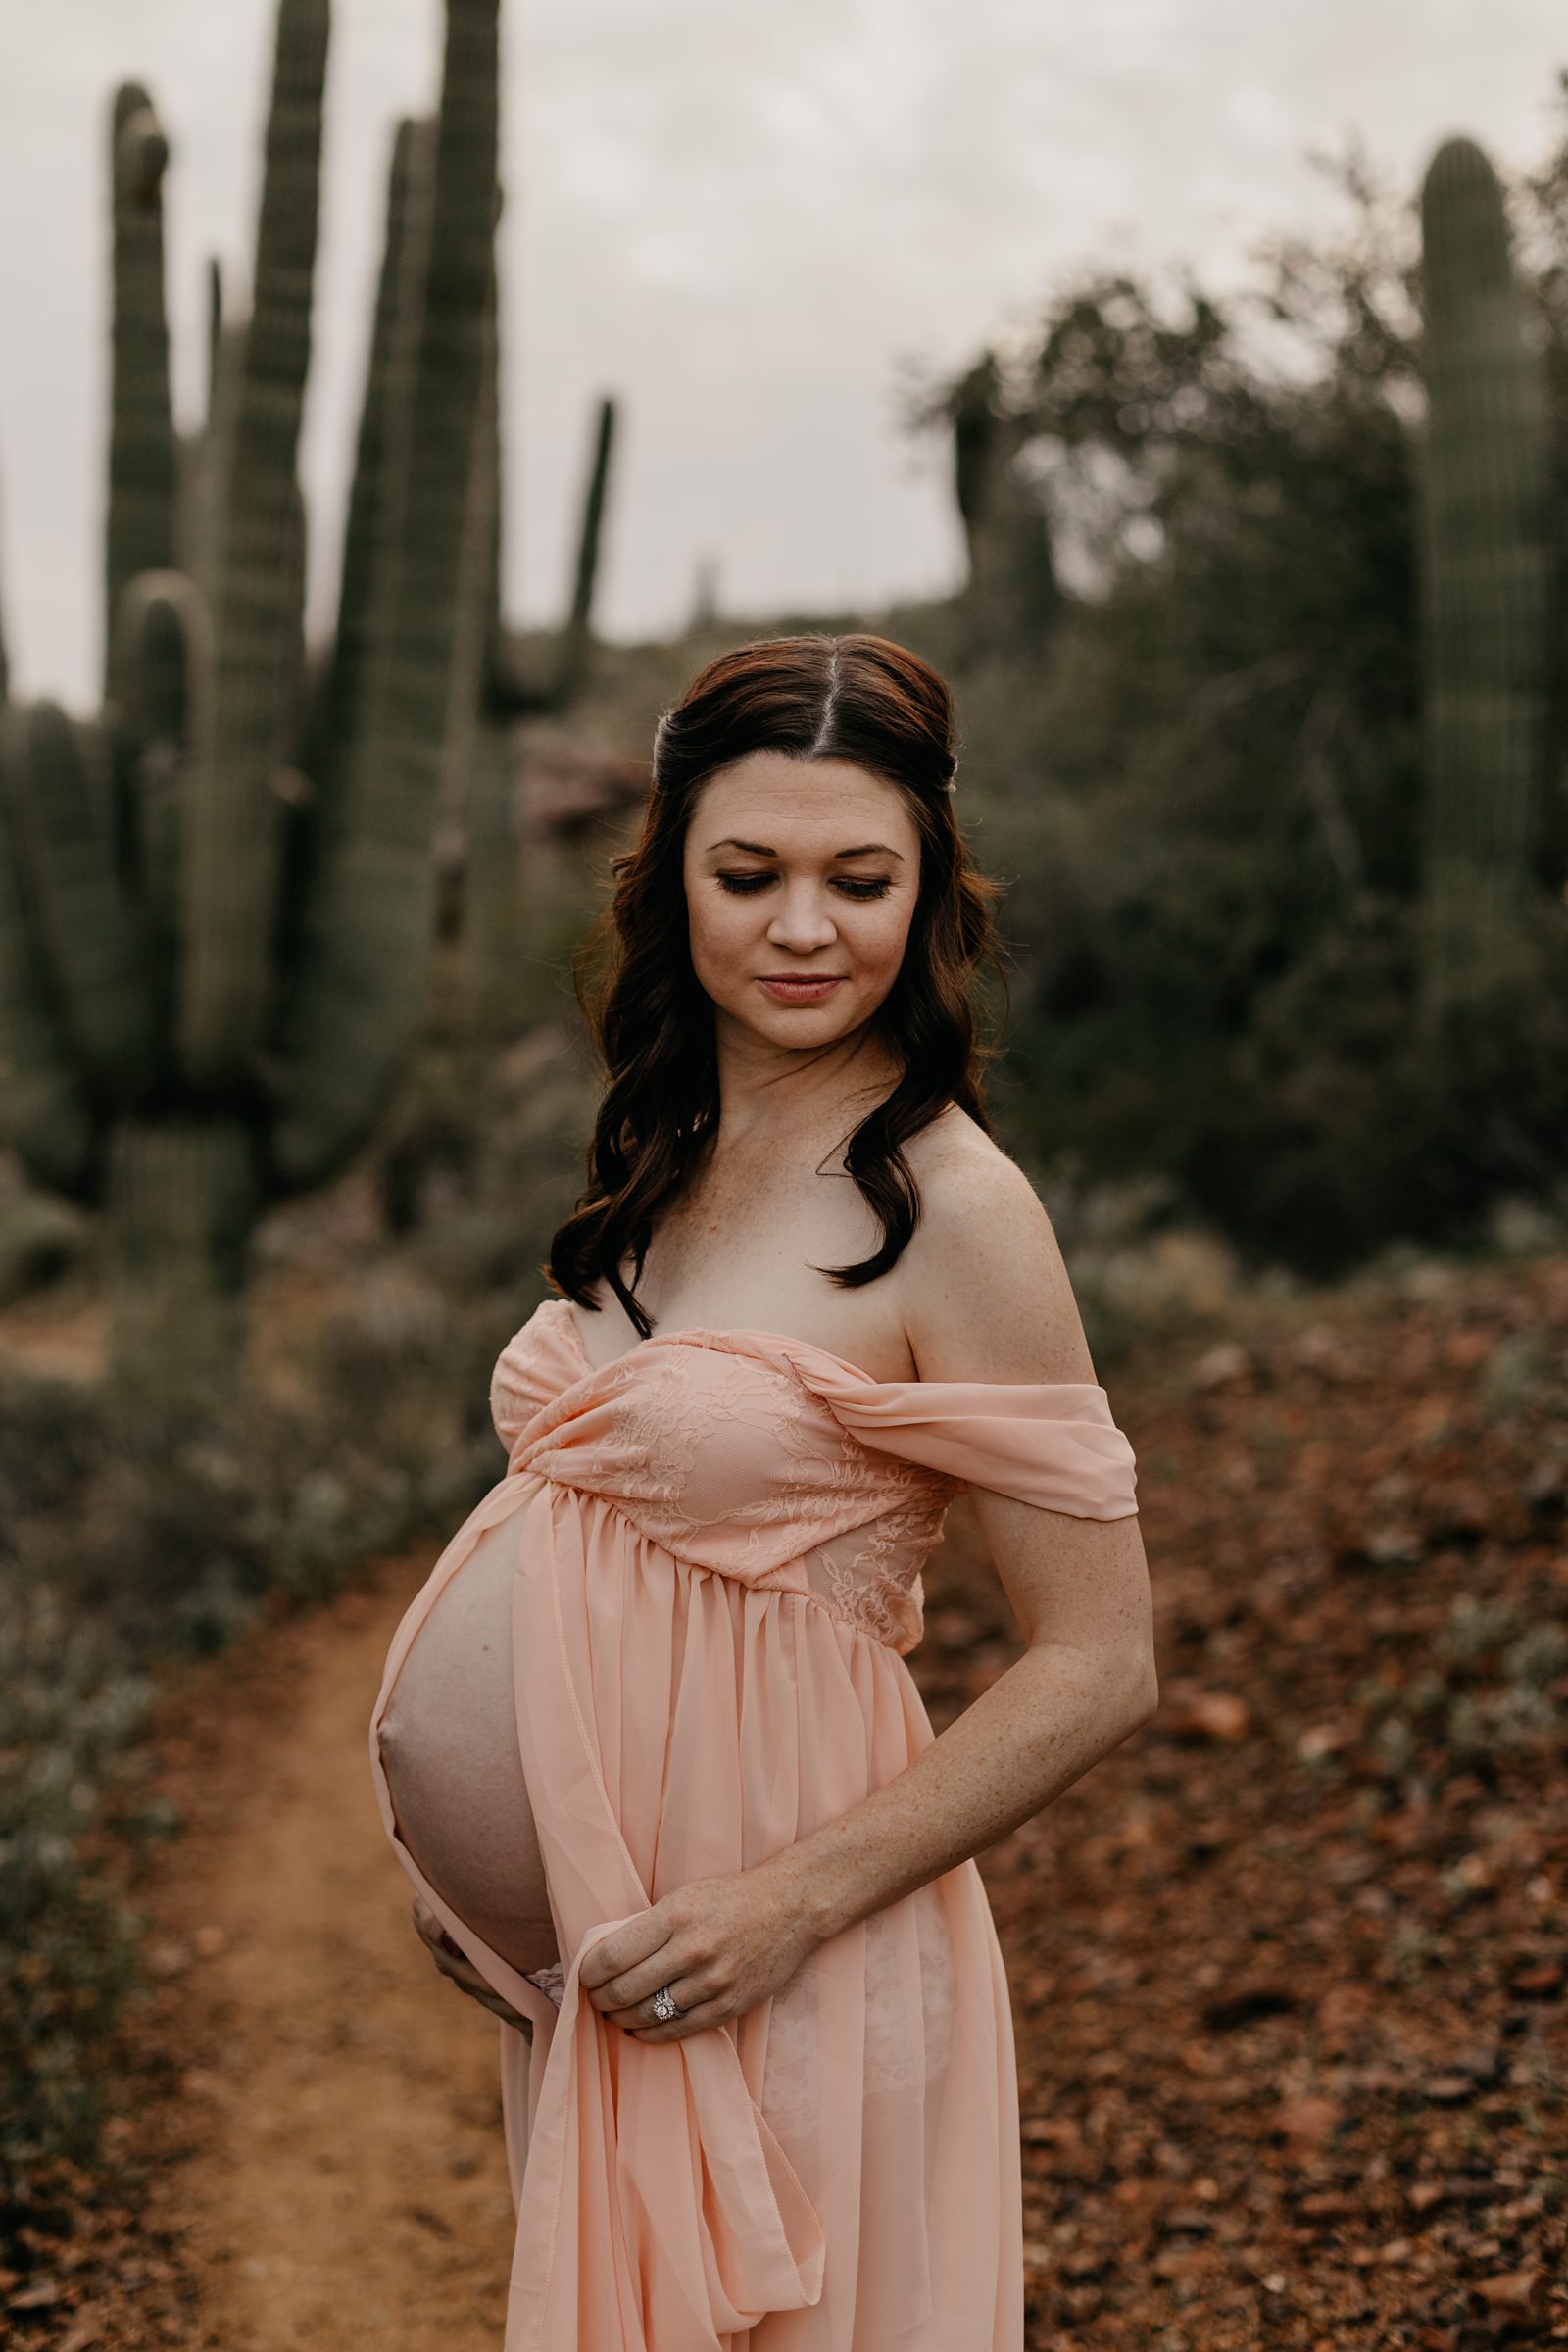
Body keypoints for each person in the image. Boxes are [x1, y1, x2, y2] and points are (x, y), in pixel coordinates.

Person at [368, 632, 1155, 2351]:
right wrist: (492, 1883)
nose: (804, 928)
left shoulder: (957, 1207)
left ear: (928, 891)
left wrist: (778, 1910)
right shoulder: (663, 1152)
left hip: (785, 1954)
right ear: (676, 886)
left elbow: (1100, 1659)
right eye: (750, 875)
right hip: (607, 1973)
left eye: (859, 879)